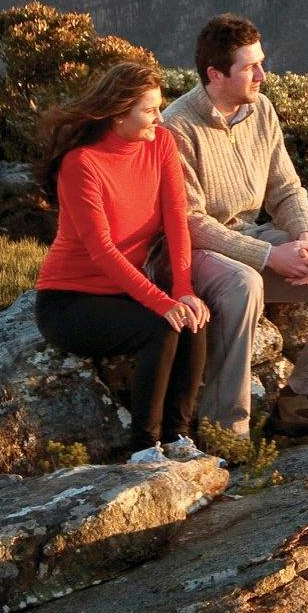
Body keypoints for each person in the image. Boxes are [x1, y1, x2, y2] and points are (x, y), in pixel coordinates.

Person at [162, 15, 308, 440]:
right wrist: (268, 256)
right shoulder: (177, 127)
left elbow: (285, 187)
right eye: (249, 67)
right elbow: (190, 221)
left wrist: (304, 239)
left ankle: (301, 400)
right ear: (215, 74)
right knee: (246, 284)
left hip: (254, 237)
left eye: (262, 62)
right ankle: (227, 430)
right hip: (203, 253)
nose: (262, 75)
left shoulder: (260, 108)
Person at [28, 60, 214, 465]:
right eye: (149, 110)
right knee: (161, 328)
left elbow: (177, 222)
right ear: (117, 115)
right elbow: (102, 251)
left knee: (193, 319)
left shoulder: (161, 143)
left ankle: (179, 437)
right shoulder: (82, 165)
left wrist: (183, 291)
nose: (159, 117)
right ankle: (145, 448)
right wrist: (162, 303)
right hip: (70, 301)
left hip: (123, 291)